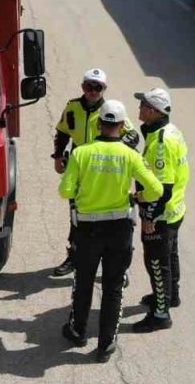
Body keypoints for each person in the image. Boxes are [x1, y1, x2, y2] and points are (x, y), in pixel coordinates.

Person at [59, 100, 162, 362]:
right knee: (113, 287)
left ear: (98, 123)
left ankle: (77, 331)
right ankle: (105, 345)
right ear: (122, 125)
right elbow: (156, 190)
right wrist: (135, 197)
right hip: (119, 229)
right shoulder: (130, 155)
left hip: (88, 229)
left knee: (83, 282)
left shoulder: (82, 153)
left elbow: (65, 191)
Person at [50, 68, 138, 277]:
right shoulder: (72, 107)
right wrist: (58, 156)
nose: (92, 91)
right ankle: (74, 257)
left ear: (104, 89)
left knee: (114, 218)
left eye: (97, 87)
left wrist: (113, 147)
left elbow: (133, 136)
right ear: (82, 87)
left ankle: (118, 268)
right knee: (76, 215)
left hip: (105, 171)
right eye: (89, 86)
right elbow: (62, 132)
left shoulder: (111, 110)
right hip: (79, 167)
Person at [131, 87, 191, 332]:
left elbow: (162, 189)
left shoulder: (160, 143)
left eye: (143, 104)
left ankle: (160, 314)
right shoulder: (169, 131)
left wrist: (149, 216)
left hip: (163, 213)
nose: (139, 108)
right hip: (176, 210)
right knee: (170, 256)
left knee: (156, 262)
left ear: (153, 111)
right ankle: (170, 296)